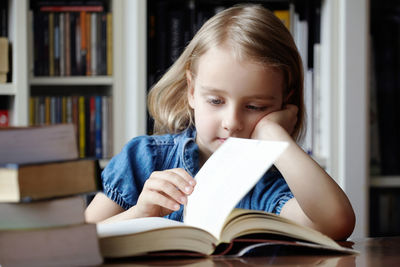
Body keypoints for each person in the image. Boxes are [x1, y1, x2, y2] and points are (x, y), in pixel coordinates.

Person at [85, 4, 355, 240]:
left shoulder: (268, 184)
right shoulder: (143, 158)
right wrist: (140, 213)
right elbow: (76, 240)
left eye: (255, 107)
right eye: (215, 101)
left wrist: (274, 135)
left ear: (285, 102)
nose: (232, 122)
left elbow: (336, 223)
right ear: (191, 91)